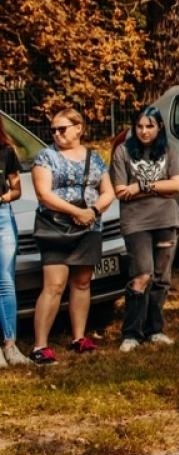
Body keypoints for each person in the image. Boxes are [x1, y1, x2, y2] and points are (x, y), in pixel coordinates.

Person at [29, 107, 114, 363]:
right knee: (54, 285)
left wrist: (94, 210)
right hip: (55, 228)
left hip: (88, 227)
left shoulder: (95, 158)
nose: (56, 134)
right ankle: (40, 345)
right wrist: (76, 212)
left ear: (79, 128)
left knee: (82, 282)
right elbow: (44, 194)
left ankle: (79, 337)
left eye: (62, 128)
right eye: (53, 130)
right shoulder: (46, 157)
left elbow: (108, 191)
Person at [110, 106, 179, 351]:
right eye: (139, 126)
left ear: (159, 127)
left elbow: (177, 185)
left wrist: (141, 186)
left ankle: (155, 329)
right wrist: (156, 186)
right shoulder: (122, 151)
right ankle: (131, 333)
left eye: (149, 126)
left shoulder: (168, 150)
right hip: (136, 222)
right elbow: (121, 191)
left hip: (166, 219)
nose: (144, 131)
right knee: (142, 274)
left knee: (162, 278)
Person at [0, 124, 23, 367]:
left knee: (6, 280)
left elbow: (17, 190)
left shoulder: (6, 151)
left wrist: (3, 197)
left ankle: (10, 345)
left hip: (3, 216)